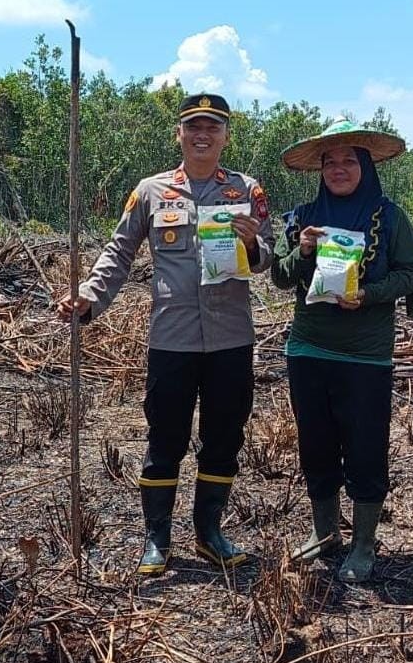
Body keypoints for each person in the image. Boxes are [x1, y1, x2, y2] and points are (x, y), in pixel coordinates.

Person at [57, 93, 273, 576]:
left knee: (224, 436)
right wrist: (89, 296)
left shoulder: (247, 190)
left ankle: (209, 533)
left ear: (226, 136)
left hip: (230, 338)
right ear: (179, 134)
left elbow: (269, 259)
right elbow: (119, 251)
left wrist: (252, 242)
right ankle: (157, 538)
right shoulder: (151, 191)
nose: (202, 135)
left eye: (212, 127)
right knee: (165, 437)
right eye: (193, 126)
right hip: (171, 339)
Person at [270, 119, 413, 582]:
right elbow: (278, 275)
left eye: (348, 161)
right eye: (329, 161)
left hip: (365, 355)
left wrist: (369, 295)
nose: (338, 169)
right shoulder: (301, 218)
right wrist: (303, 251)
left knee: (365, 447)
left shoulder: (389, 218)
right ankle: (325, 534)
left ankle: (363, 543)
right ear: (320, 170)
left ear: (366, 166)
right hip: (309, 349)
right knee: (316, 445)